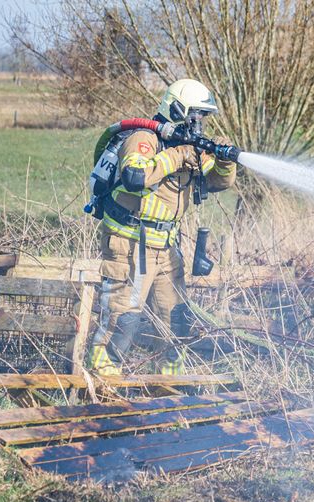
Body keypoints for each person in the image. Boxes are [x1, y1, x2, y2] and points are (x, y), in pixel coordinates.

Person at [86, 78, 238, 377]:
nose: (202, 122)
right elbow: (134, 175)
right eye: (198, 114)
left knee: (176, 319)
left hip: (167, 248)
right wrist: (178, 155)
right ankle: (100, 383)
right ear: (180, 110)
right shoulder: (144, 139)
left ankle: (168, 385)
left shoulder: (190, 148)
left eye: (205, 116)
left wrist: (224, 162)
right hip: (131, 243)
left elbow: (217, 182)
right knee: (122, 319)